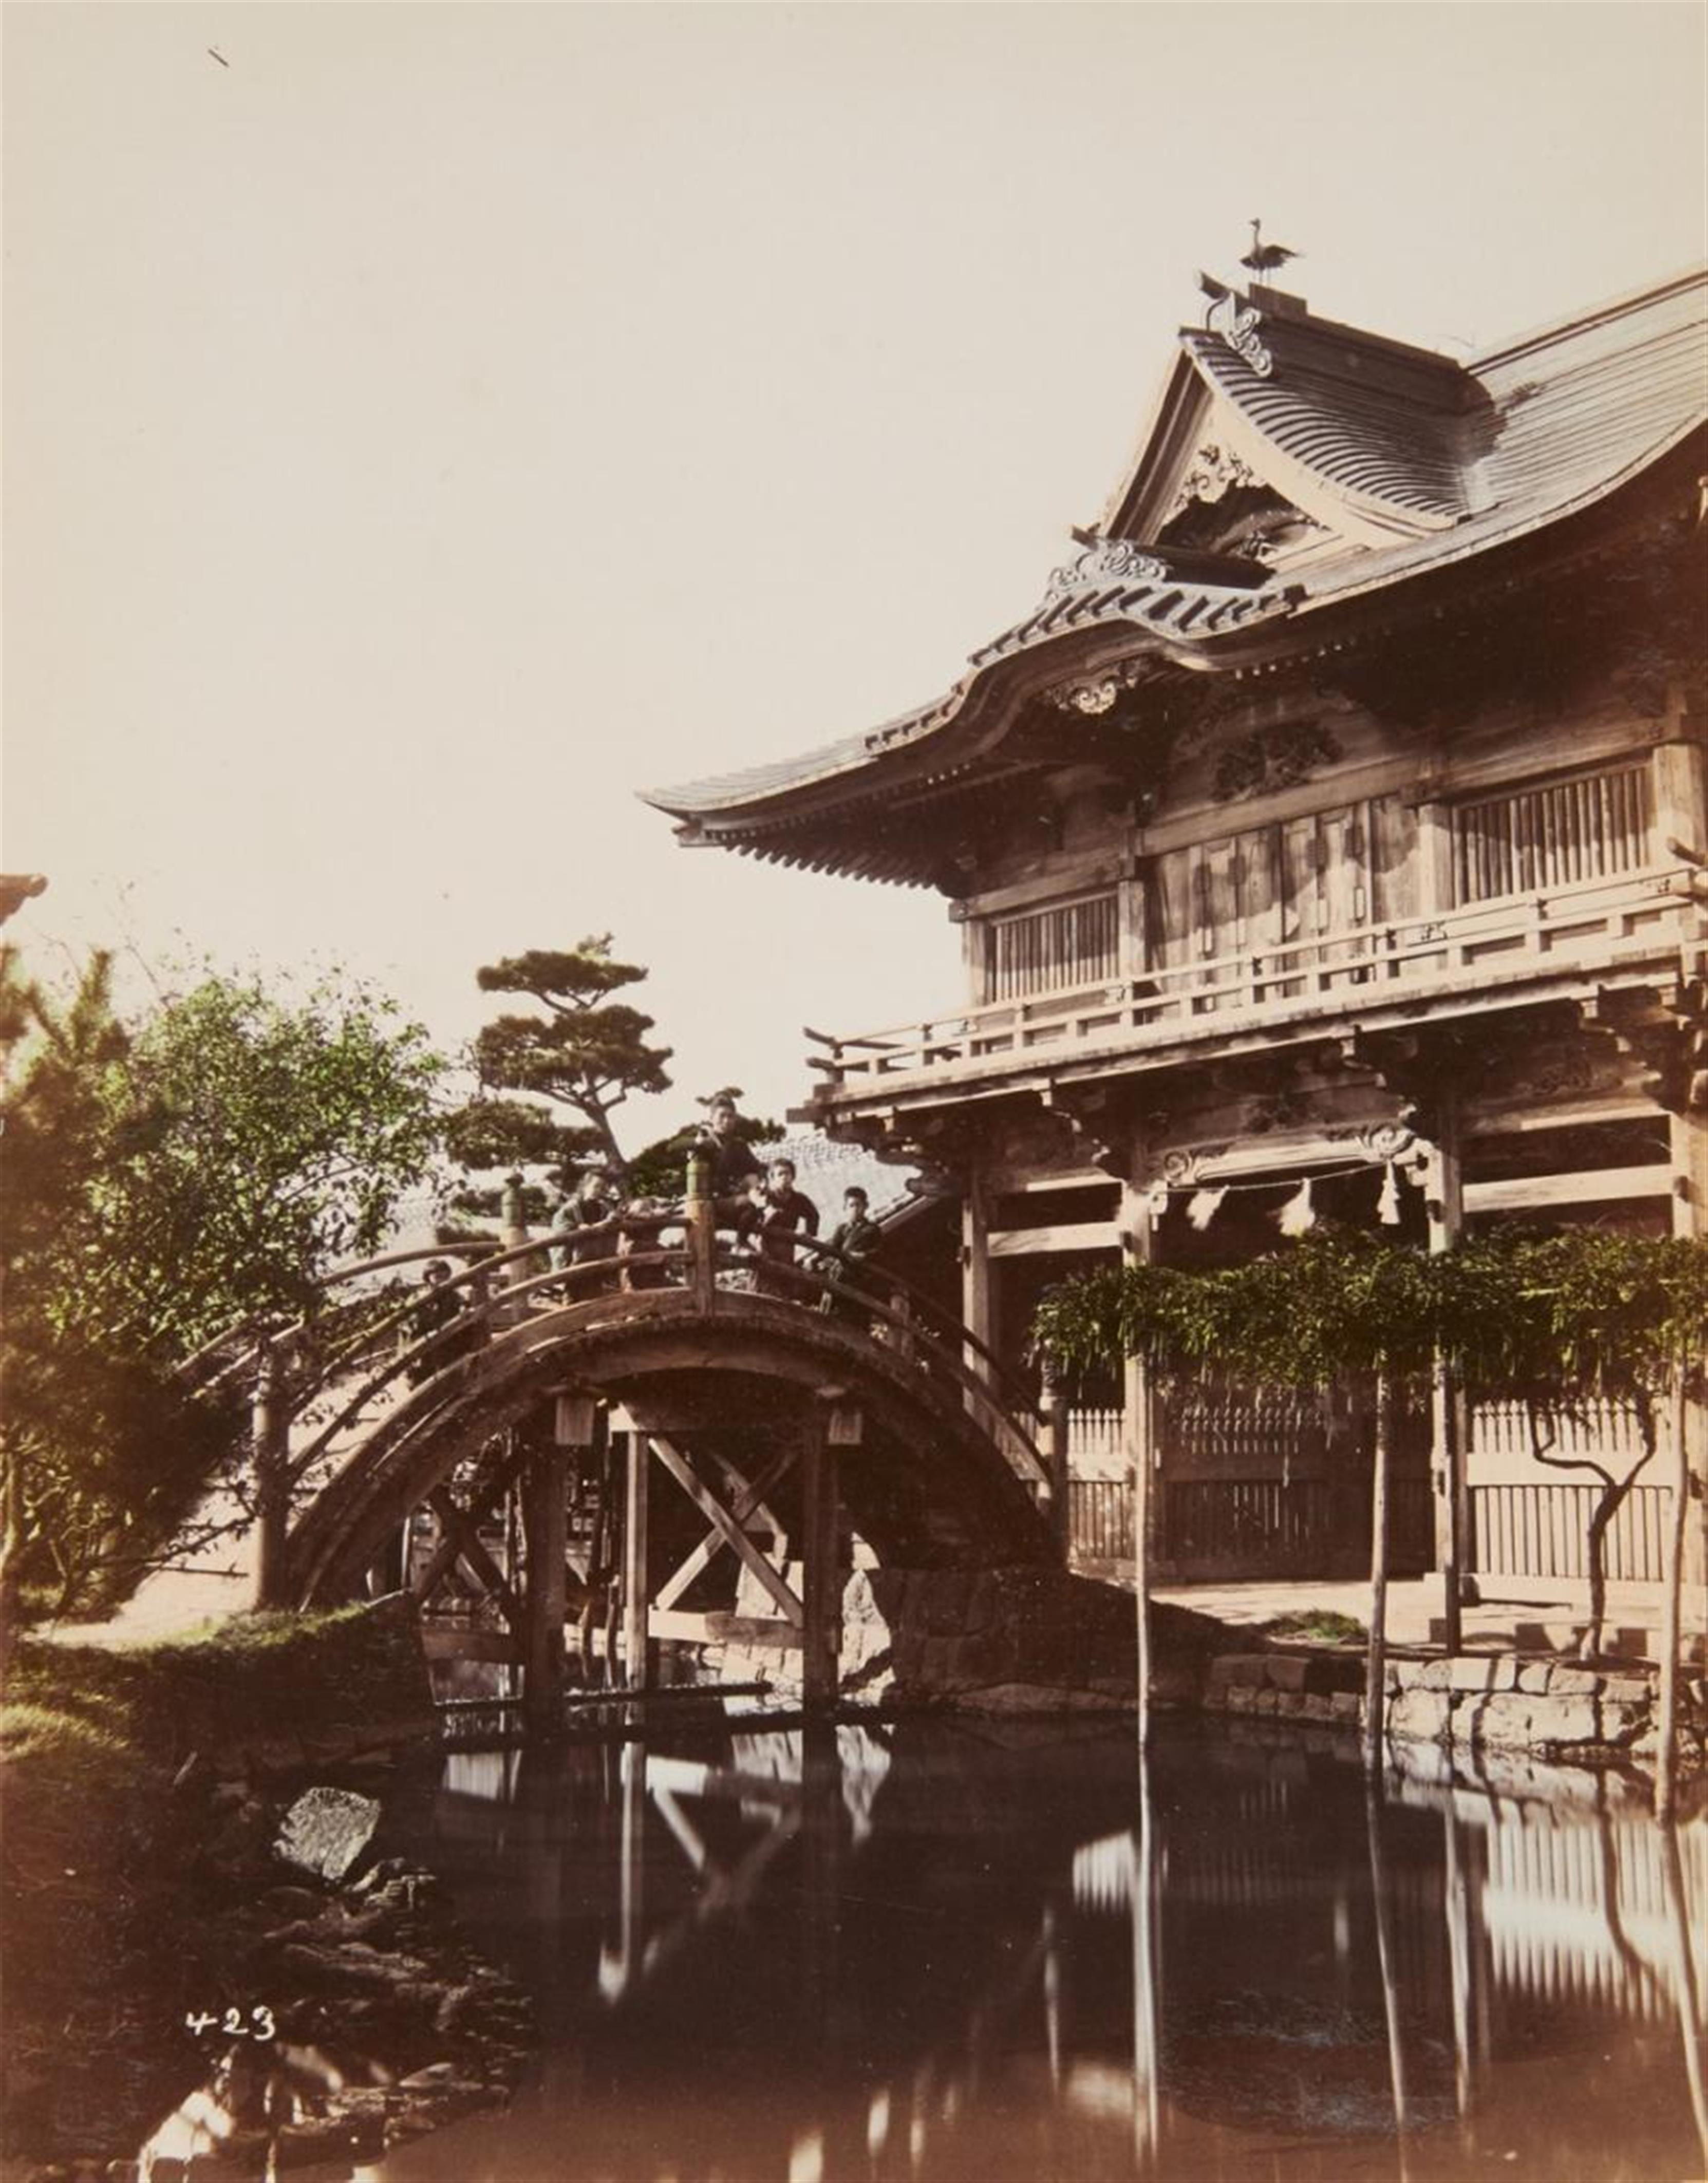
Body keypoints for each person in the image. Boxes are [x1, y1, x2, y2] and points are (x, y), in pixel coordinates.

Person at [749, 1157, 820, 1298]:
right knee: (762, 1282)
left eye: (788, 1174)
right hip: (765, 1244)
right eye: (780, 1174)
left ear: (793, 1177)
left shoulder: (798, 1199)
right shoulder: (765, 1195)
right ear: (772, 1177)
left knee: (784, 1282)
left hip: (786, 1247)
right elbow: (753, 1200)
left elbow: (813, 1216)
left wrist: (808, 1233)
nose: (785, 1178)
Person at [553, 1164, 622, 1289]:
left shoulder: (604, 1208)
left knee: (595, 1295)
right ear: (585, 1186)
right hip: (576, 1260)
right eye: (596, 1186)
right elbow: (560, 1227)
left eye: (603, 1188)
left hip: (597, 1260)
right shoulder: (571, 1208)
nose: (599, 1191)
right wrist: (578, 1227)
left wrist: (614, 1221)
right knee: (574, 1296)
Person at [821, 1185, 884, 1321]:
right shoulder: (842, 1229)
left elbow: (880, 1252)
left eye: (859, 1205)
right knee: (834, 1312)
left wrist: (865, 1256)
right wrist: (824, 1260)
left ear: (866, 1206)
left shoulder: (872, 1230)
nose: (855, 1209)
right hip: (840, 1275)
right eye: (851, 1206)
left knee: (856, 1316)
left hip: (859, 1279)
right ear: (845, 1208)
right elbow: (832, 1249)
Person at [693, 1095, 763, 1213]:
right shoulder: (704, 1140)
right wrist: (698, 1145)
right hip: (712, 1199)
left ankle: (760, 1202)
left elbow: (755, 1169)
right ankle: (759, 1203)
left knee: (753, 1179)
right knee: (746, 1202)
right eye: (722, 1116)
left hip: (735, 1193)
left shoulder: (739, 1145)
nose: (726, 1121)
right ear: (712, 1118)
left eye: (730, 1116)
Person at [405, 1258, 462, 1384]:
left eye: (445, 1277)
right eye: (438, 1277)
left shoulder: (452, 1295)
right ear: (428, 1278)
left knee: (449, 1370)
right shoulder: (419, 1297)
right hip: (425, 1340)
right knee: (422, 1373)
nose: (442, 1281)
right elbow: (413, 1324)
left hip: (447, 1341)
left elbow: (461, 1306)